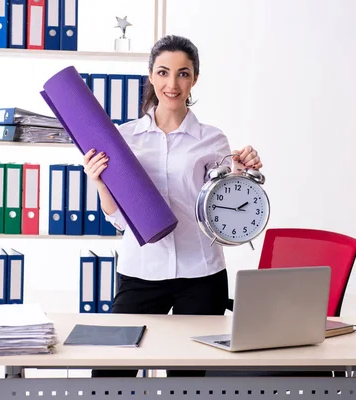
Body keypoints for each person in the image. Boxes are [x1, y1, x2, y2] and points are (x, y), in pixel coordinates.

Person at [84, 35, 263, 378]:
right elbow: (122, 222)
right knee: (109, 373)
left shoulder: (212, 140)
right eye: (163, 72)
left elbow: (224, 209)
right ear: (150, 75)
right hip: (141, 270)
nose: (172, 83)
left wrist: (243, 172)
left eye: (183, 73)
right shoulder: (124, 138)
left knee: (188, 381)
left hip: (201, 274)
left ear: (194, 79)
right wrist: (99, 183)